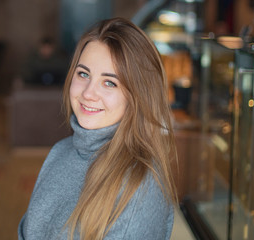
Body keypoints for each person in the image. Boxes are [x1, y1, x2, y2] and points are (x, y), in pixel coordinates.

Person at [18, 17, 177, 240]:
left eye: (109, 82)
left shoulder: (140, 187)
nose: (88, 93)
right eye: (83, 74)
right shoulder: (60, 151)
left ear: (137, 96)